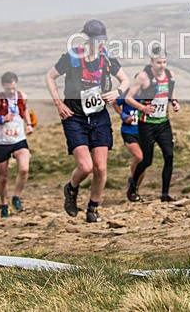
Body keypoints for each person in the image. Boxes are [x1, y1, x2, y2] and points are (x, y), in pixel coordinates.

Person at [45, 19, 129, 223]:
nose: (99, 44)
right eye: (95, 40)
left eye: (102, 40)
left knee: (100, 168)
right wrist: (59, 104)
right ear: (86, 39)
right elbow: (50, 77)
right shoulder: (72, 57)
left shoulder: (107, 58)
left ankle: (93, 208)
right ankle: (71, 189)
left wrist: (116, 92)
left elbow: (125, 80)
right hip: (75, 117)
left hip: (99, 116)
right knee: (85, 167)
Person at [125, 45, 180, 203]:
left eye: (164, 62)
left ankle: (165, 194)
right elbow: (129, 98)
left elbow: (171, 91)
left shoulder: (170, 75)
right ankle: (133, 184)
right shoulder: (143, 77)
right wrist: (143, 108)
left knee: (169, 156)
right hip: (147, 124)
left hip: (163, 122)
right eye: (158, 62)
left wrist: (174, 102)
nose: (162, 66)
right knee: (146, 160)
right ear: (151, 62)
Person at [0, 72, 34, 217]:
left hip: (19, 139)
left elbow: (24, 111)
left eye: (13, 88)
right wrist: (1, 119)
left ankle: (16, 197)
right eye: (8, 89)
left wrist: (29, 124)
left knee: (24, 169)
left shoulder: (22, 97)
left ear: (16, 84)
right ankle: (4, 204)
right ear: (3, 86)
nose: (11, 91)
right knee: (3, 176)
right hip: (2, 142)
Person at [112, 89, 143, 202]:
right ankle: (132, 178)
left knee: (143, 163)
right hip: (128, 131)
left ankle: (134, 189)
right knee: (139, 157)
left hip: (144, 132)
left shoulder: (150, 94)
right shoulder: (128, 94)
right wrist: (123, 115)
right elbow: (115, 103)